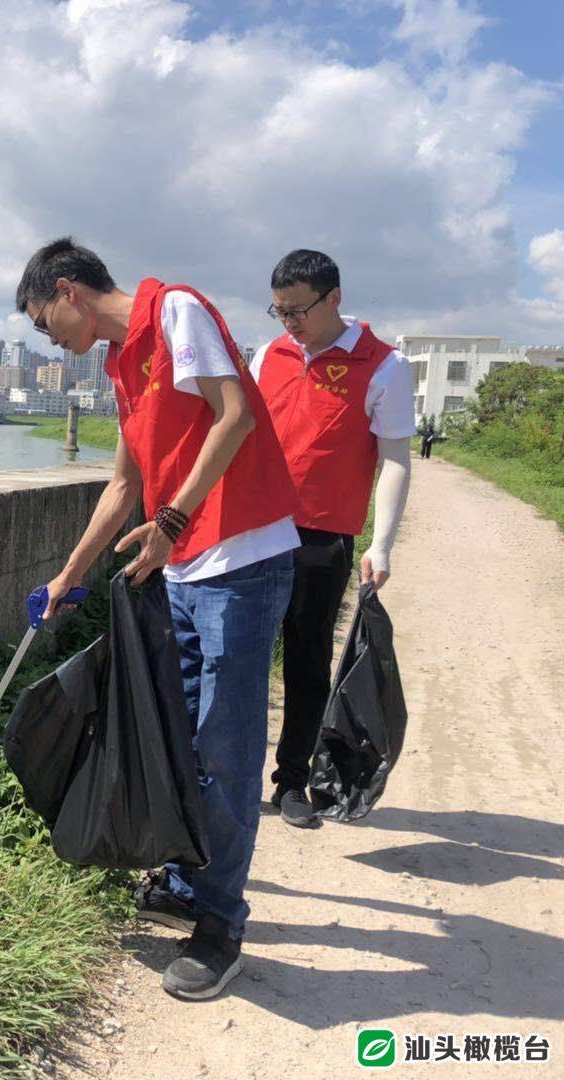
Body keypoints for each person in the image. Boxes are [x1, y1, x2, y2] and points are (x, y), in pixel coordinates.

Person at [18, 237, 298, 1000]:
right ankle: (182, 880)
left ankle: (221, 925)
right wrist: (70, 574)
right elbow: (123, 484)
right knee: (177, 732)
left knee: (226, 747)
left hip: (240, 558)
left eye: (45, 323)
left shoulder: (174, 312)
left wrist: (171, 519)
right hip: (182, 567)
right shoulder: (120, 363)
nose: (51, 340)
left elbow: (235, 417)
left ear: (69, 291)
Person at [252, 250, 414, 828]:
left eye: (298, 310)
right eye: (280, 311)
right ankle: (228, 776)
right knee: (239, 653)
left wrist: (382, 542)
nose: (289, 322)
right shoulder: (268, 355)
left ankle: (292, 780)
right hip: (254, 528)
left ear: (334, 298)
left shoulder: (384, 365)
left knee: (306, 656)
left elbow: (395, 459)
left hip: (323, 535)